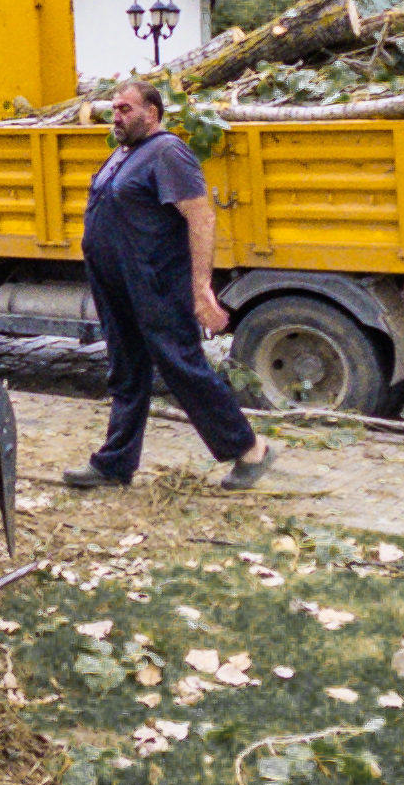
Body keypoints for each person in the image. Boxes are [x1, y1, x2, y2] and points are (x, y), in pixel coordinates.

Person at [62, 79, 275, 492]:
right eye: (114, 109)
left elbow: (201, 218)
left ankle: (251, 450)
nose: (116, 116)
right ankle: (114, 465)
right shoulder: (122, 154)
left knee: (181, 366)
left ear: (152, 113)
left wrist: (201, 289)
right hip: (117, 285)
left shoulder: (168, 152)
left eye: (125, 109)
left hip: (155, 282)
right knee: (126, 373)